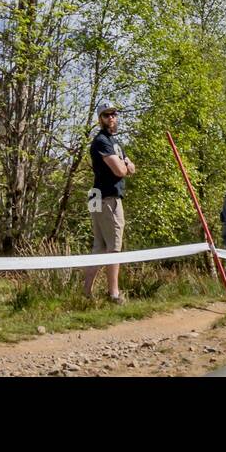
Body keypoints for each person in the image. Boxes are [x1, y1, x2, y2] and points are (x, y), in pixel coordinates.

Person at [83, 103, 134, 303]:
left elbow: (132, 167)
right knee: (113, 247)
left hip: (99, 195)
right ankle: (113, 294)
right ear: (100, 118)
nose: (111, 117)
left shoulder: (115, 142)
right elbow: (120, 171)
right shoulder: (101, 141)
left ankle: (86, 292)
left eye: (114, 114)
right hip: (106, 197)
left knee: (100, 247)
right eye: (107, 115)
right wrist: (125, 165)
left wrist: (126, 165)